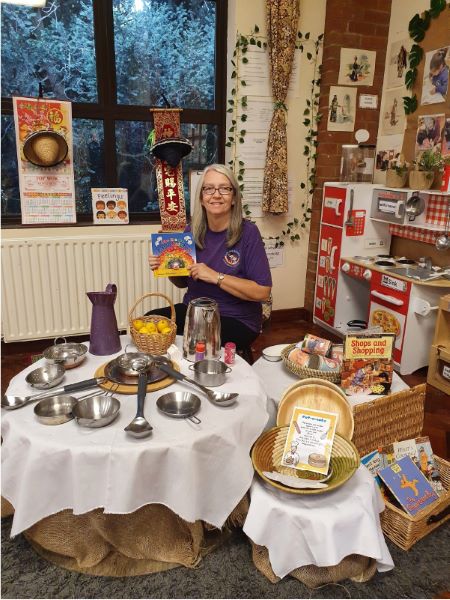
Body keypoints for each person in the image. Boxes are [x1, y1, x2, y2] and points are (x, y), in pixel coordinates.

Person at [148, 164, 272, 352]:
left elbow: (262, 292)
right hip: (194, 312)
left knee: (196, 341)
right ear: (201, 198)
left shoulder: (248, 233)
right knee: (150, 321)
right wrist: (166, 267)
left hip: (236, 318)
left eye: (224, 188)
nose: (216, 195)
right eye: (209, 189)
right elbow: (182, 282)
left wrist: (215, 276)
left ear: (234, 198)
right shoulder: (191, 230)